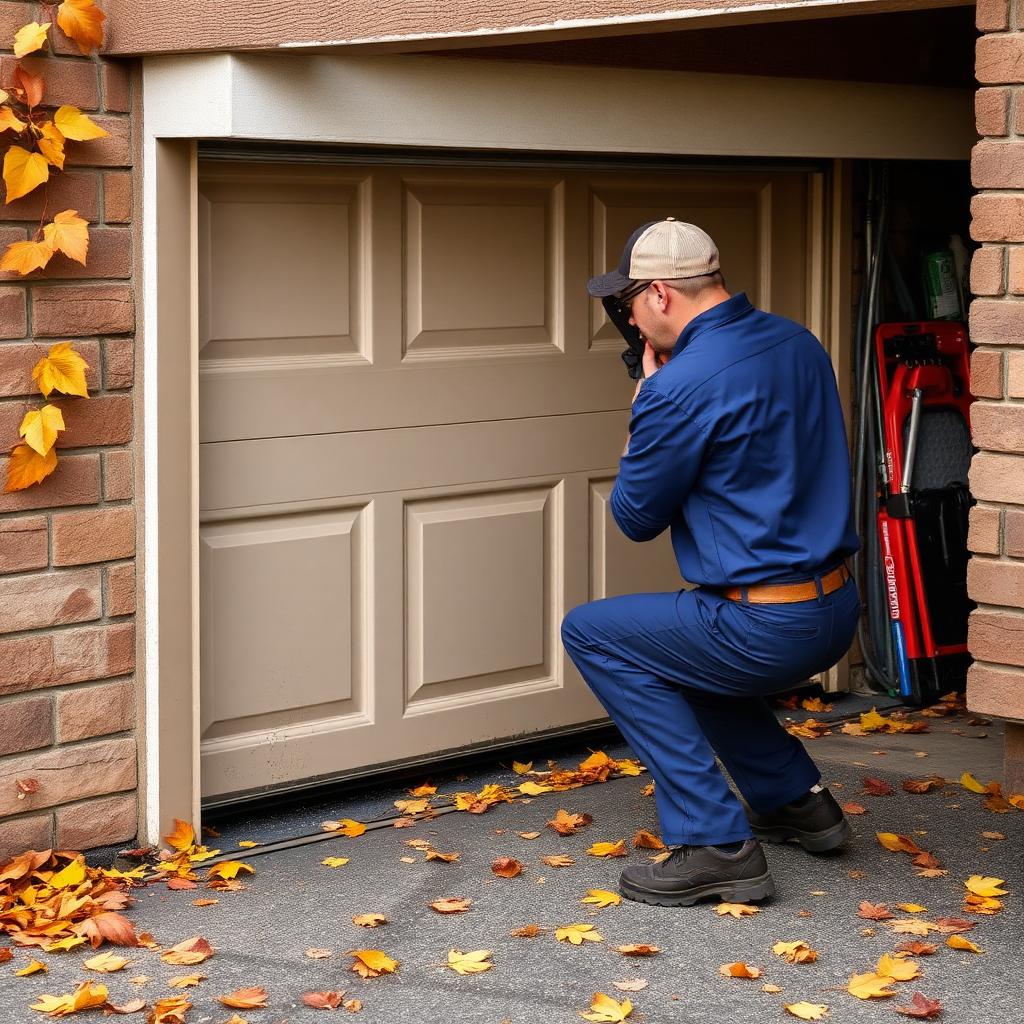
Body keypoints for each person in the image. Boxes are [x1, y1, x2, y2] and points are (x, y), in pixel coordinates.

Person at [561, 219, 861, 908]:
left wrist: (643, 414)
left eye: (629, 304)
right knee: (678, 648)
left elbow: (635, 518)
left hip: (767, 627)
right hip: (836, 609)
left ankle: (715, 845)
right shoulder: (797, 342)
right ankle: (795, 801)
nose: (631, 324)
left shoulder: (677, 386)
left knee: (592, 631)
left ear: (660, 294)